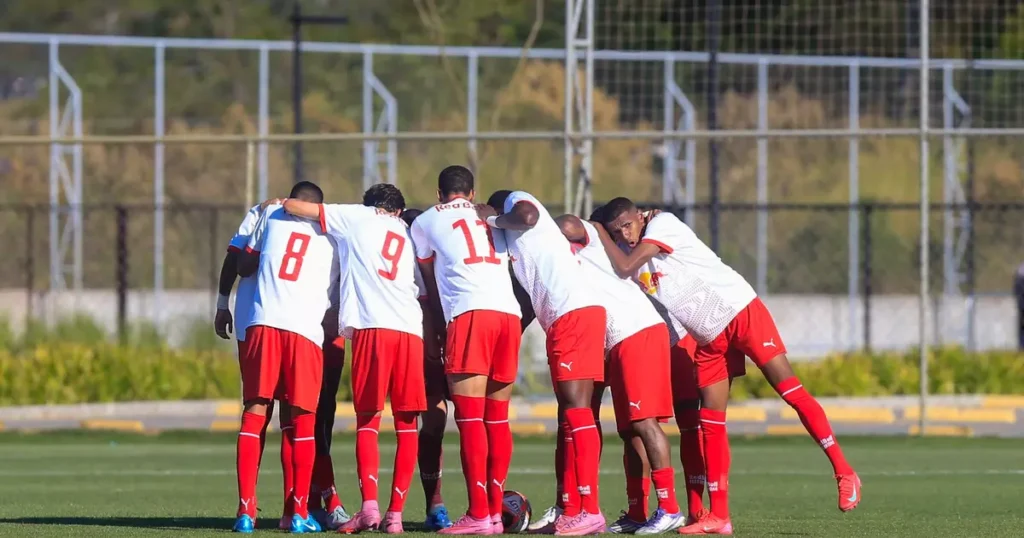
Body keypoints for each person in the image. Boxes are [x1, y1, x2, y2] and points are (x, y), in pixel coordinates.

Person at [593, 197, 861, 535]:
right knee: (710, 423)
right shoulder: (632, 253)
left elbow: (625, 265)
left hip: (741, 313)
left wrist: (601, 233)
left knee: (790, 391)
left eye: (627, 226)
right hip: (709, 338)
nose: (626, 236)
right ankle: (719, 516)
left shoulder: (662, 226)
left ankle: (844, 471)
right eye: (618, 232)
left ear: (639, 215)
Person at [282, 184, 427, 534]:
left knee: (368, 421)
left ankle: (369, 510)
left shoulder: (358, 216)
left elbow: (304, 209)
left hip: (372, 328)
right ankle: (395, 516)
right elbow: (420, 290)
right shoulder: (405, 232)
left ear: (372, 206)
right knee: (407, 426)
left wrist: (281, 202)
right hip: (409, 329)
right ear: (397, 210)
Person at [479, 190, 607, 536]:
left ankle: (590, 510)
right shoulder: (521, 247)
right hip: (572, 315)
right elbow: (525, 303)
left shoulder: (517, 205)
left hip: (573, 314)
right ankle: (575, 510)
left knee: (577, 411)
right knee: (572, 413)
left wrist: (489, 217)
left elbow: (527, 215)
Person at [555, 213, 686, 535]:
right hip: (622, 338)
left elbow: (569, 224)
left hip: (636, 333)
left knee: (644, 422)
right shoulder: (577, 258)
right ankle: (637, 511)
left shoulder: (585, 238)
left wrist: (535, 227)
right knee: (630, 429)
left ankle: (670, 508)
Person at [410, 165, 523, 535]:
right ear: (472, 194)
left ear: (439, 193)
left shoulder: (425, 220)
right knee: (498, 418)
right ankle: (492, 512)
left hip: (469, 312)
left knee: (470, 418)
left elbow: (427, 277)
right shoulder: (491, 218)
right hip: (508, 315)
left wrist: (439, 326)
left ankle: (479, 514)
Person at [232, 181, 336, 534]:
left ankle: (245, 512)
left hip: (263, 324)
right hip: (304, 331)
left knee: (255, 411)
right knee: (301, 423)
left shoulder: (272, 217)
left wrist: (262, 215)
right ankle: (297, 513)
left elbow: (244, 264)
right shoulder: (331, 235)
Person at [401, 208, 455, 531]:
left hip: (460, 336)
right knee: (434, 419)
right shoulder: (404, 259)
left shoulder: (444, 251)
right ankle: (434, 503)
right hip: (424, 346)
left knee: (475, 417)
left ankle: (486, 505)